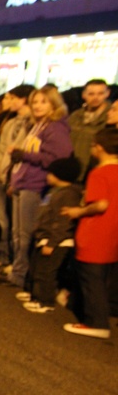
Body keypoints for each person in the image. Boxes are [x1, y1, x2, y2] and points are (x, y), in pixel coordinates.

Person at [4, 85, 72, 291]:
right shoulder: (38, 125)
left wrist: (24, 155)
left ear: (54, 103)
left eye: (44, 101)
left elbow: (57, 158)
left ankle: (23, 275)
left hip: (35, 184)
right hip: (22, 182)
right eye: (35, 102)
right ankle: (18, 271)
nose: (38, 106)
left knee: (26, 234)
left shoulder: (56, 128)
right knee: (18, 233)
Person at [62, 126, 118, 339]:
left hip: (95, 233)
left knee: (91, 280)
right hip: (113, 234)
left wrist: (79, 211)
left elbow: (100, 204)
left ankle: (96, 321)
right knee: (103, 279)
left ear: (100, 148)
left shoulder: (99, 173)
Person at [21, 155, 83, 313]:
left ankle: (45, 301)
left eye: (50, 173)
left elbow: (63, 222)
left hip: (56, 241)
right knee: (36, 268)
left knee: (46, 272)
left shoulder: (69, 194)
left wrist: (52, 243)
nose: (47, 176)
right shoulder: (55, 191)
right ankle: (35, 295)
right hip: (45, 237)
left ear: (60, 176)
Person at [0, 85, 33, 269]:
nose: (8, 102)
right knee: (4, 221)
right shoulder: (10, 123)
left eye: (13, 98)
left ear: (23, 100)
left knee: (18, 226)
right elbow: (1, 151)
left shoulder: (32, 124)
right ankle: (5, 255)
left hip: (18, 178)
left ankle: (16, 262)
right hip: (3, 176)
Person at [67, 78, 112, 178]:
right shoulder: (75, 116)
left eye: (100, 93)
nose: (96, 97)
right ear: (84, 95)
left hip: (96, 170)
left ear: (107, 93)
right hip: (73, 169)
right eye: (91, 94)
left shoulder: (111, 117)